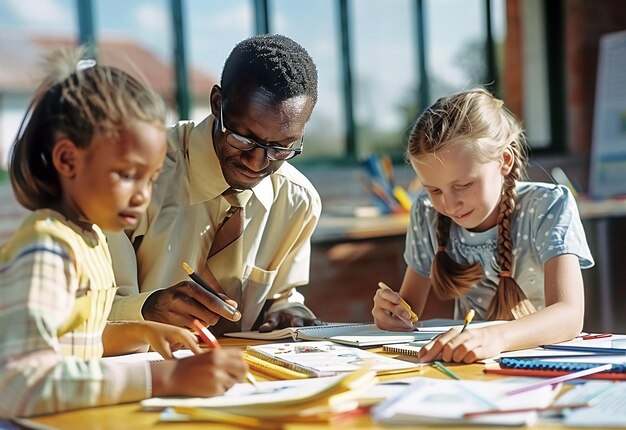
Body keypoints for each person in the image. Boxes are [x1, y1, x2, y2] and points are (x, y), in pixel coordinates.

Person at [0, 49, 247, 418]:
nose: (142, 195)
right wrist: (164, 377)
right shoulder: (46, 249)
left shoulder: (92, 240)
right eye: (127, 174)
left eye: (149, 179)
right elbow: (17, 383)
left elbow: (73, 340)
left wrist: (141, 332)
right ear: (67, 160)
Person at [106, 34, 323, 336]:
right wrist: (147, 309)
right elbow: (85, 312)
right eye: (244, 139)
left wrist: (287, 311)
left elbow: (283, 297)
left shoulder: (297, 201)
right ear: (217, 104)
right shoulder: (137, 178)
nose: (258, 162)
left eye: (281, 148)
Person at [372, 88, 594, 363]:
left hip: (542, 365)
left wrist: (495, 337)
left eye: (463, 185)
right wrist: (393, 314)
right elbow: (408, 313)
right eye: (434, 190)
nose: (450, 205)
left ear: (504, 161)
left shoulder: (548, 206)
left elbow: (570, 315)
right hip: (468, 367)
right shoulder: (427, 212)